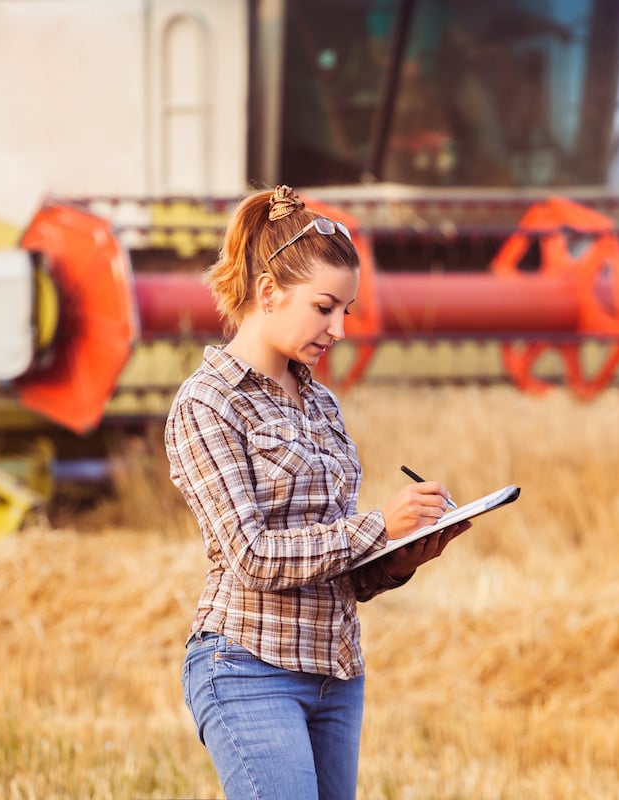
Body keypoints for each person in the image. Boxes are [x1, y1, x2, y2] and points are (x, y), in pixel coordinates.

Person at [165, 185, 470, 800]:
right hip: (249, 666)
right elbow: (252, 555)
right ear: (269, 293)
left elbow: (339, 570)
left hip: (337, 672)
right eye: (325, 307)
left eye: (346, 311)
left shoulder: (322, 404)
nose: (339, 328)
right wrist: (378, 525)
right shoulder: (208, 403)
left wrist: (400, 557)